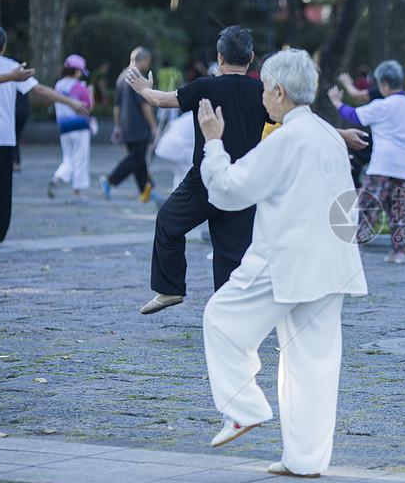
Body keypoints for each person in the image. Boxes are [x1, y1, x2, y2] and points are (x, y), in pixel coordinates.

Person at [198, 48, 367, 477]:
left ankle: (244, 407)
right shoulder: (329, 135)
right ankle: (305, 460)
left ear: (278, 90)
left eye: (264, 89)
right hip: (331, 260)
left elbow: (229, 190)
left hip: (285, 258)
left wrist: (214, 142)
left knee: (221, 318)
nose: (261, 98)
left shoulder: (289, 138)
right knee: (313, 362)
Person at [127, 26, 368, 314]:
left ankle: (169, 289)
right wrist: (341, 134)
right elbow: (299, 120)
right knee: (232, 252)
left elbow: (158, 99)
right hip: (244, 180)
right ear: (251, 57)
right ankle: (232, 308)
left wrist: (143, 88)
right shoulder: (260, 91)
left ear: (220, 57)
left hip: (203, 180)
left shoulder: (204, 86)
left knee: (168, 222)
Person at [328, 60, 405, 264]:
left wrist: (337, 102)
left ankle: (354, 248)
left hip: (381, 165)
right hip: (403, 167)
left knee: (368, 207)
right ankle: (399, 251)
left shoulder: (380, 106)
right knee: (398, 209)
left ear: (384, 84)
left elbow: (354, 116)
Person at [0, 25, 88, 247]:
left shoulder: (11, 70)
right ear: (3, 45)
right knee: (0, 187)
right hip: (2, 136)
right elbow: (39, 90)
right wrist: (71, 102)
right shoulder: (13, 69)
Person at [100, 47, 159, 203]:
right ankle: (110, 180)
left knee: (138, 160)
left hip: (126, 126)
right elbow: (145, 104)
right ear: (143, 59)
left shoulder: (122, 77)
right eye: (148, 61)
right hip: (139, 126)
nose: (148, 65)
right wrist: (154, 126)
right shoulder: (137, 76)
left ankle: (146, 191)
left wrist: (117, 126)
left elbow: (116, 106)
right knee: (136, 159)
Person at [48, 54, 95, 202]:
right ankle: (77, 192)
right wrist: (91, 92)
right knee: (81, 158)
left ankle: (58, 177)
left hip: (63, 127)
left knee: (68, 158)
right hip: (79, 127)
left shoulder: (58, 85)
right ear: (76, 71)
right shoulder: (79, 86)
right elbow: (89, 107)